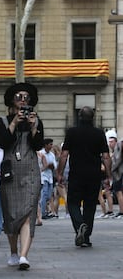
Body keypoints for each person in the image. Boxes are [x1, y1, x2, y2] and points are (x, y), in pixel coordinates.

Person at [0, 82, 44, 270]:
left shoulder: (36, 120)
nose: (23, 100)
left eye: (26, 97)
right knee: (11, 214)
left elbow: (38, 145)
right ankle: (14, 251)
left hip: (31, 172)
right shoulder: (3, 121)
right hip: (11, 173)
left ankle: (24, 256)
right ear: (12, 100)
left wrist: (33, 128)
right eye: (19, 97)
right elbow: (2, 142)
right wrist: (15, 122)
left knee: (28, 213)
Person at [57, 106, 111, 248]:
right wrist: (109, 175)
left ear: (79, 116)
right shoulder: (99, 133)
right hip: (94, 175)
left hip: (76, 174)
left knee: (73, 203)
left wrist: (60, 173)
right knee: (90, 205)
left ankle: (80, 225)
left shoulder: (72, 132)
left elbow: (64, 154)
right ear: (92, 117)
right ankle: (86, 238)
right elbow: (106, 156)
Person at [107, 130, 123, 219]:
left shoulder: (118, 146)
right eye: (109, 142)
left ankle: (121, 211)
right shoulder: (117, 148)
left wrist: (112, 169)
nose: (110, 144)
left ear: (116, 141)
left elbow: (118, 160)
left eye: (112, 142)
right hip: (119, 173)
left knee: (118, 192)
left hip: (118, 173)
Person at [39, 138, 57, 219]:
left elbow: (55, 166)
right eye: (50, 144)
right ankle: (42, 213)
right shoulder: (40, 153)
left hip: (50, 177)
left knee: (49, 196)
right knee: (44, 194)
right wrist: (46, 166)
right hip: (43, 177)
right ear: (46, 145)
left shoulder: (52, 155)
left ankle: (44, 211)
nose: (51, 146)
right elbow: (39, 166)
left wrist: (51, 166)